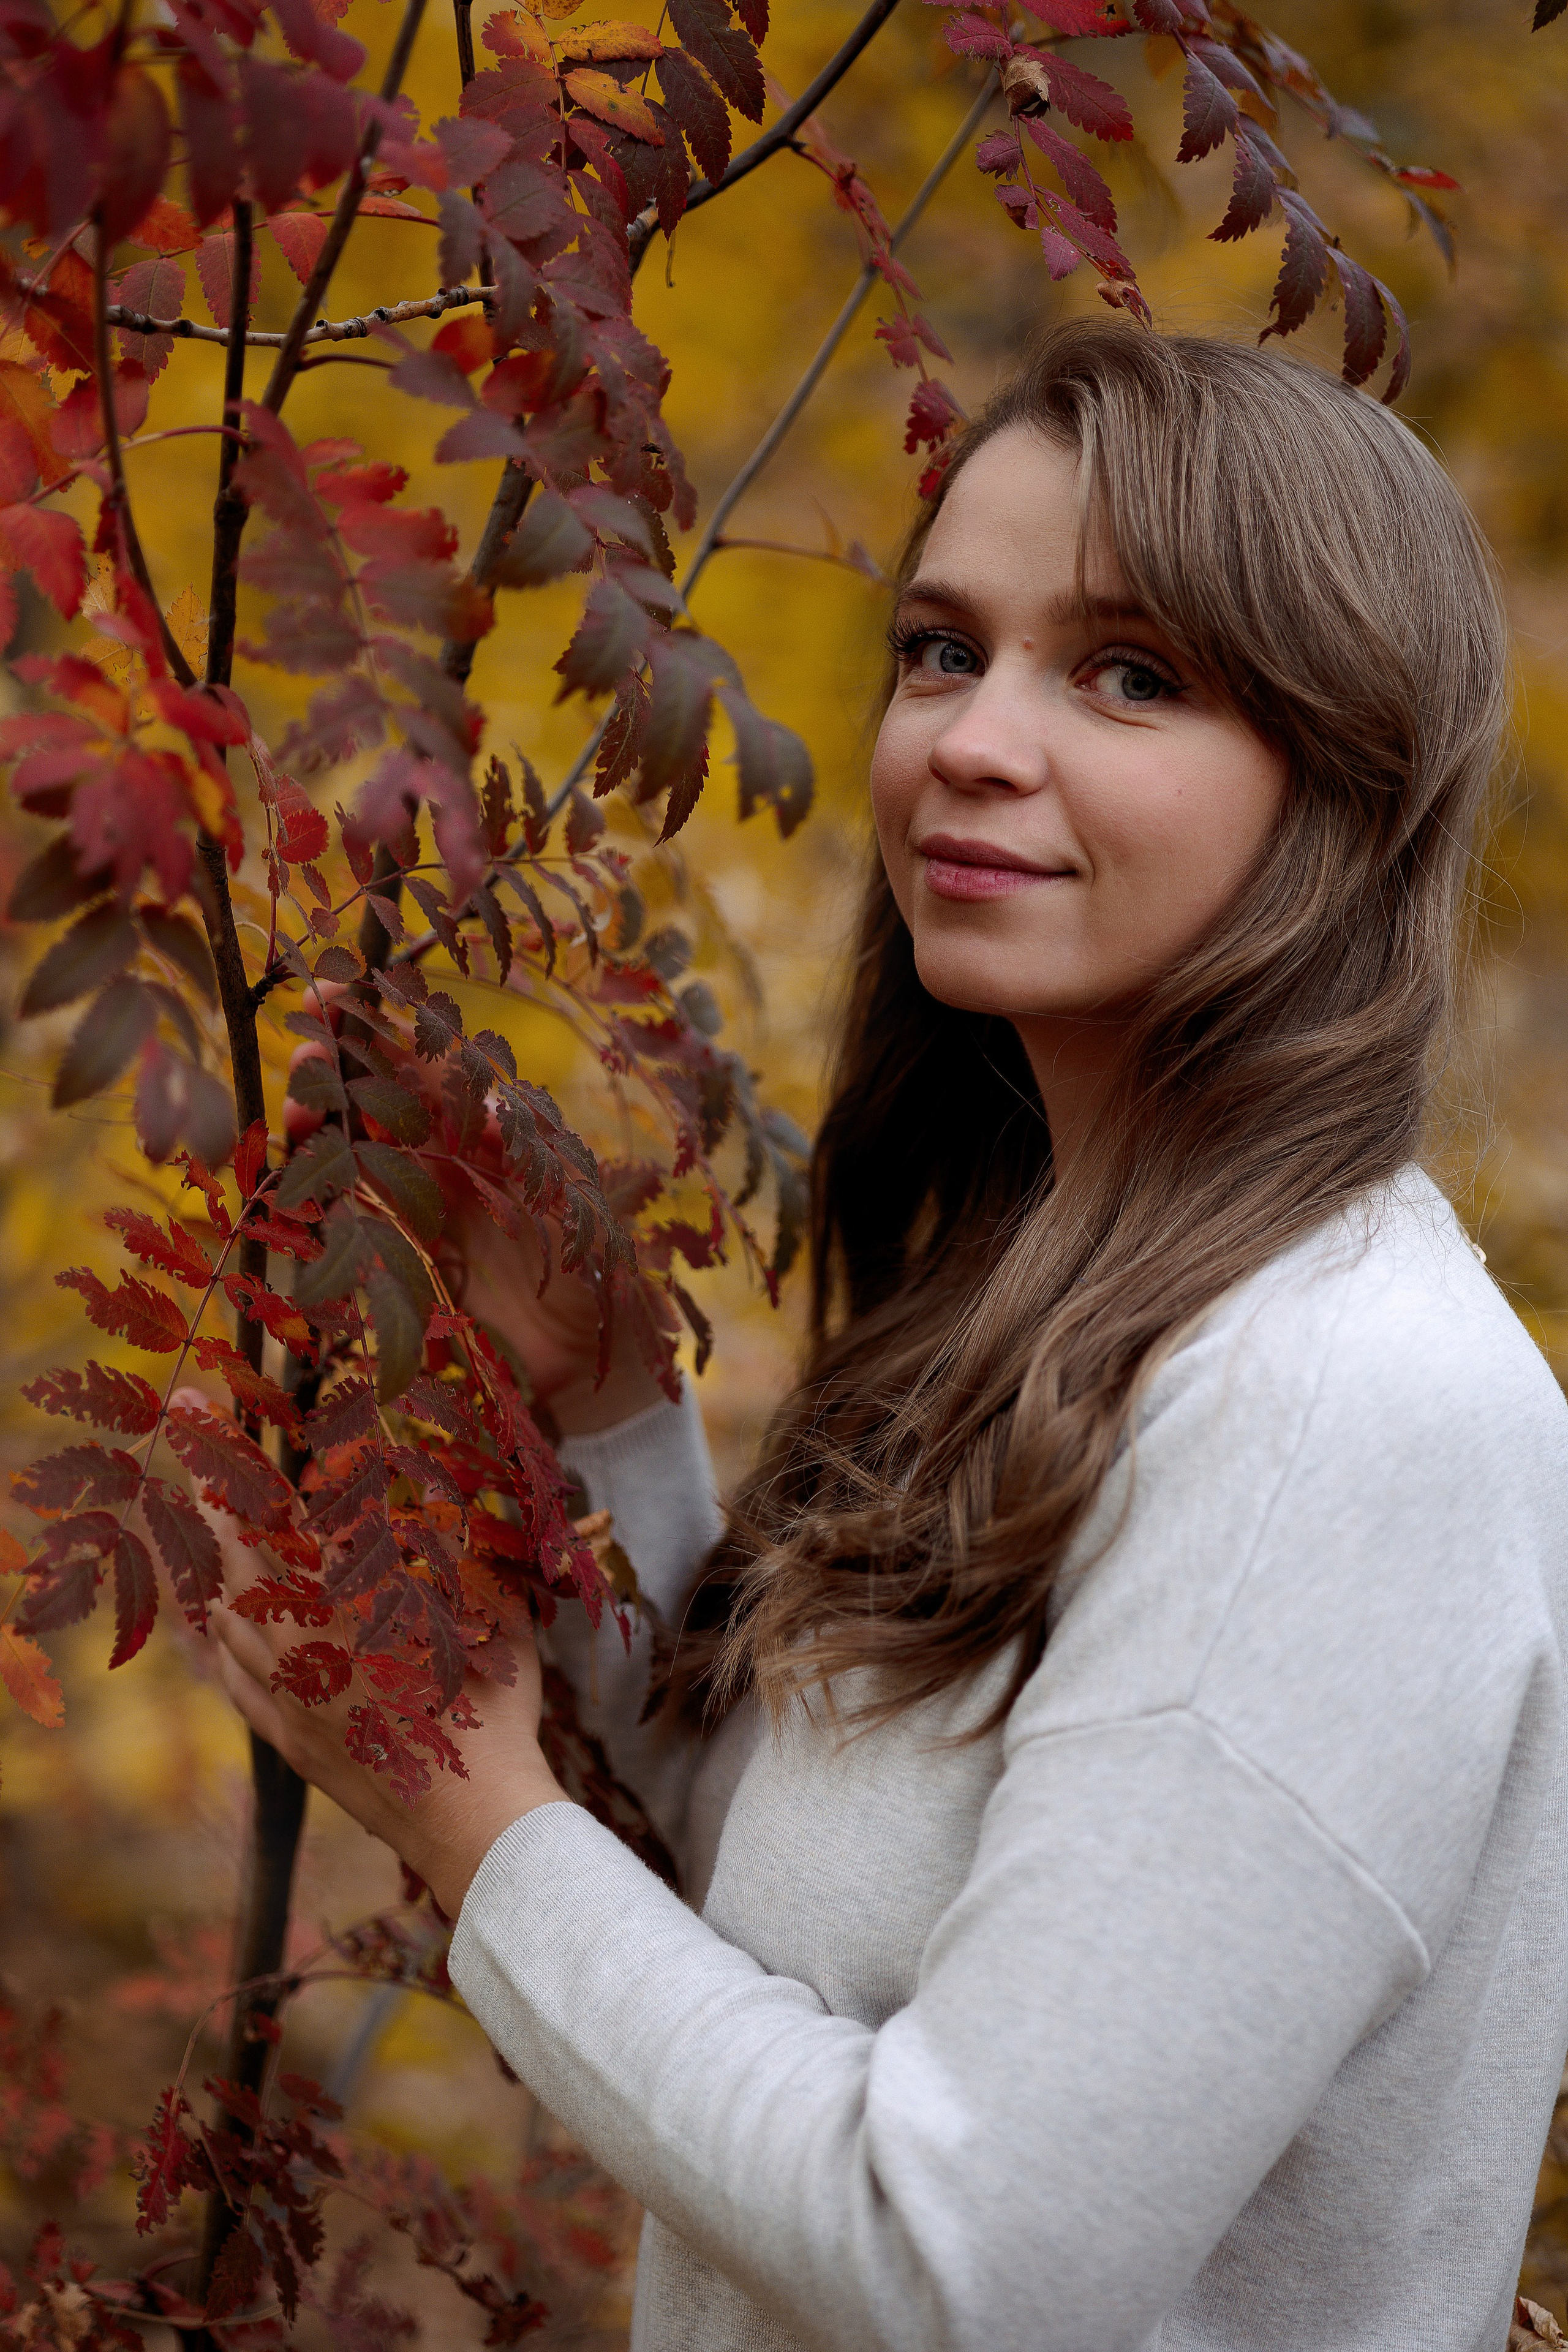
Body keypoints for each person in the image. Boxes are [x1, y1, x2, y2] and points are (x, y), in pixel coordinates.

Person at [211, 320, 1568, 2352]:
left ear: (1349, 777)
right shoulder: (1057, 1290)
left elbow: (964, 2259)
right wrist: (607, 1420)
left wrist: (472, 1820)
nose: (974, 742)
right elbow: (815, 1907)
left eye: (1129, 674)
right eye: (946, 649)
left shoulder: (1335, 1406)